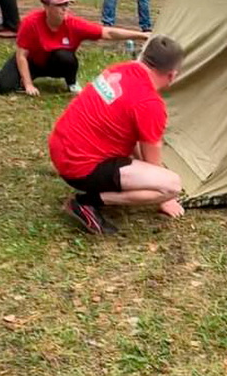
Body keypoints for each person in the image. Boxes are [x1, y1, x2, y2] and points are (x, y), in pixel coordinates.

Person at [49, 35, 186, 234]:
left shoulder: (119, 70)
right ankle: (86, 202)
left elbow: (131, 137)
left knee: (144, 167)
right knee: (171, 185)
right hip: (79, 166)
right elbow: (153, 162)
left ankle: (94, 190)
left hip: (60, 148)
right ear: (172, 75)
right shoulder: (149, 103)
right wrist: (165, 198)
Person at [0, 0, 150, 96]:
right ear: (47, 7)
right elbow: (21, 55)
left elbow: (107, 33)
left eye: (66, 4)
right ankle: (26, 79)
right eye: (59, 5)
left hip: (54, 63)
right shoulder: (31, 22)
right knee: (3, 86)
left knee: (65, 56)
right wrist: (28, 84)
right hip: (32, 61)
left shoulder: (74, 24)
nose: (65, 9)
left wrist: (141, 35)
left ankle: (71, 83)